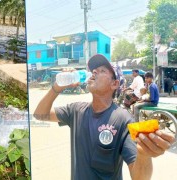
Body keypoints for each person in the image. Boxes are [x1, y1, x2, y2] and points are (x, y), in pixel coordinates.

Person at [33, 54, 175, 180]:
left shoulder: (124, 120)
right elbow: (40, 114)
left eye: (102, 71)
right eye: (93, 70)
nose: (94, 72)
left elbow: (139, 177)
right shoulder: (76, 110)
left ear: (115, 83)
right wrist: (57, 88)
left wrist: (144, 156)